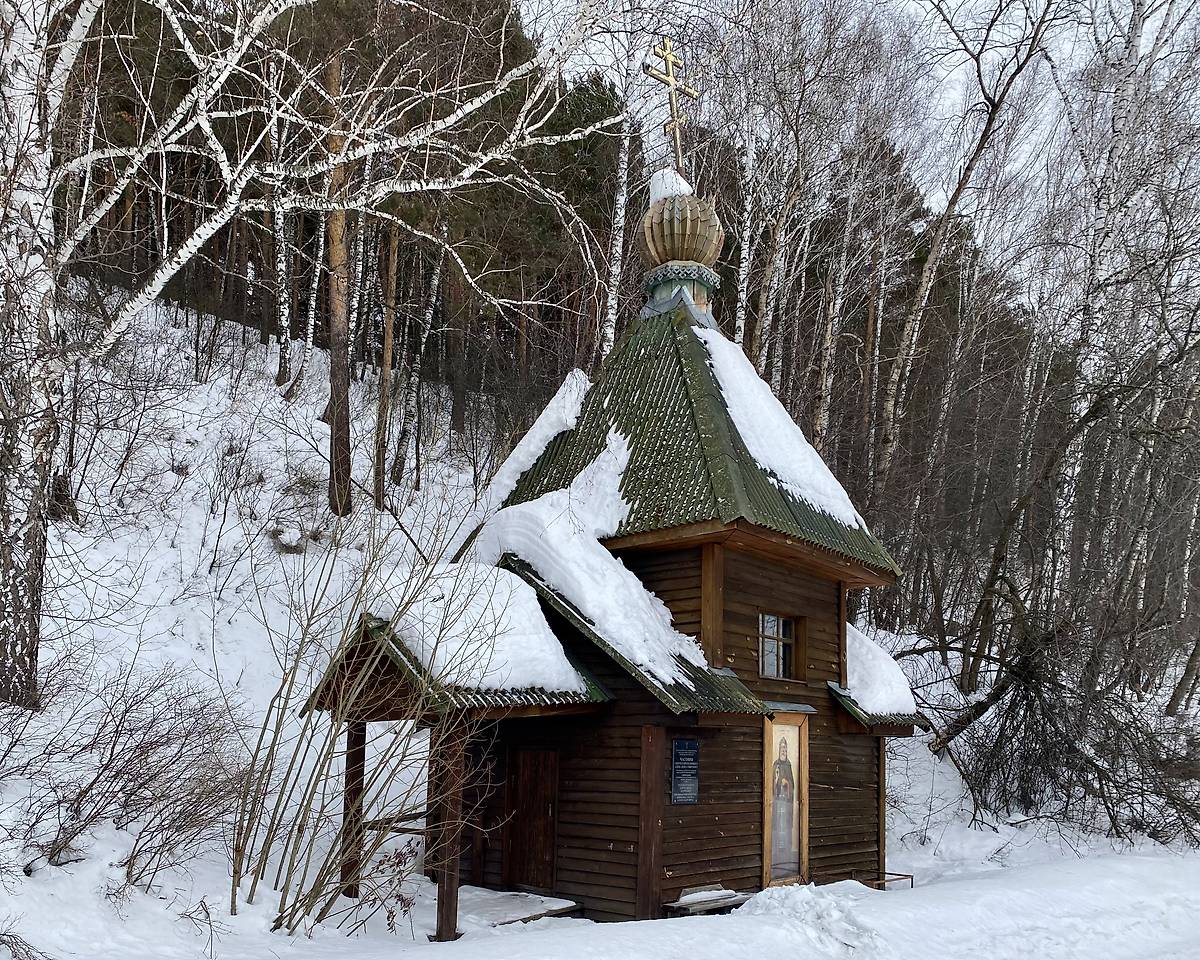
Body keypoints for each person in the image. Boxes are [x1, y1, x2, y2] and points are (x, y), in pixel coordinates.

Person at [771, 735, 796, 878]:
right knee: (777, 827)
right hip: (777, 802)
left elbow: (792, 783)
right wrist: (777, 783)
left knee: (785, 828)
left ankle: (786, 853)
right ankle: (776, 853)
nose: (783, 751)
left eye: (785, 749)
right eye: (781, 748)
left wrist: (787, 785)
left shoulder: (789, 765)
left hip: (786, 803)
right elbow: (772, 784)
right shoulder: (776, 764)